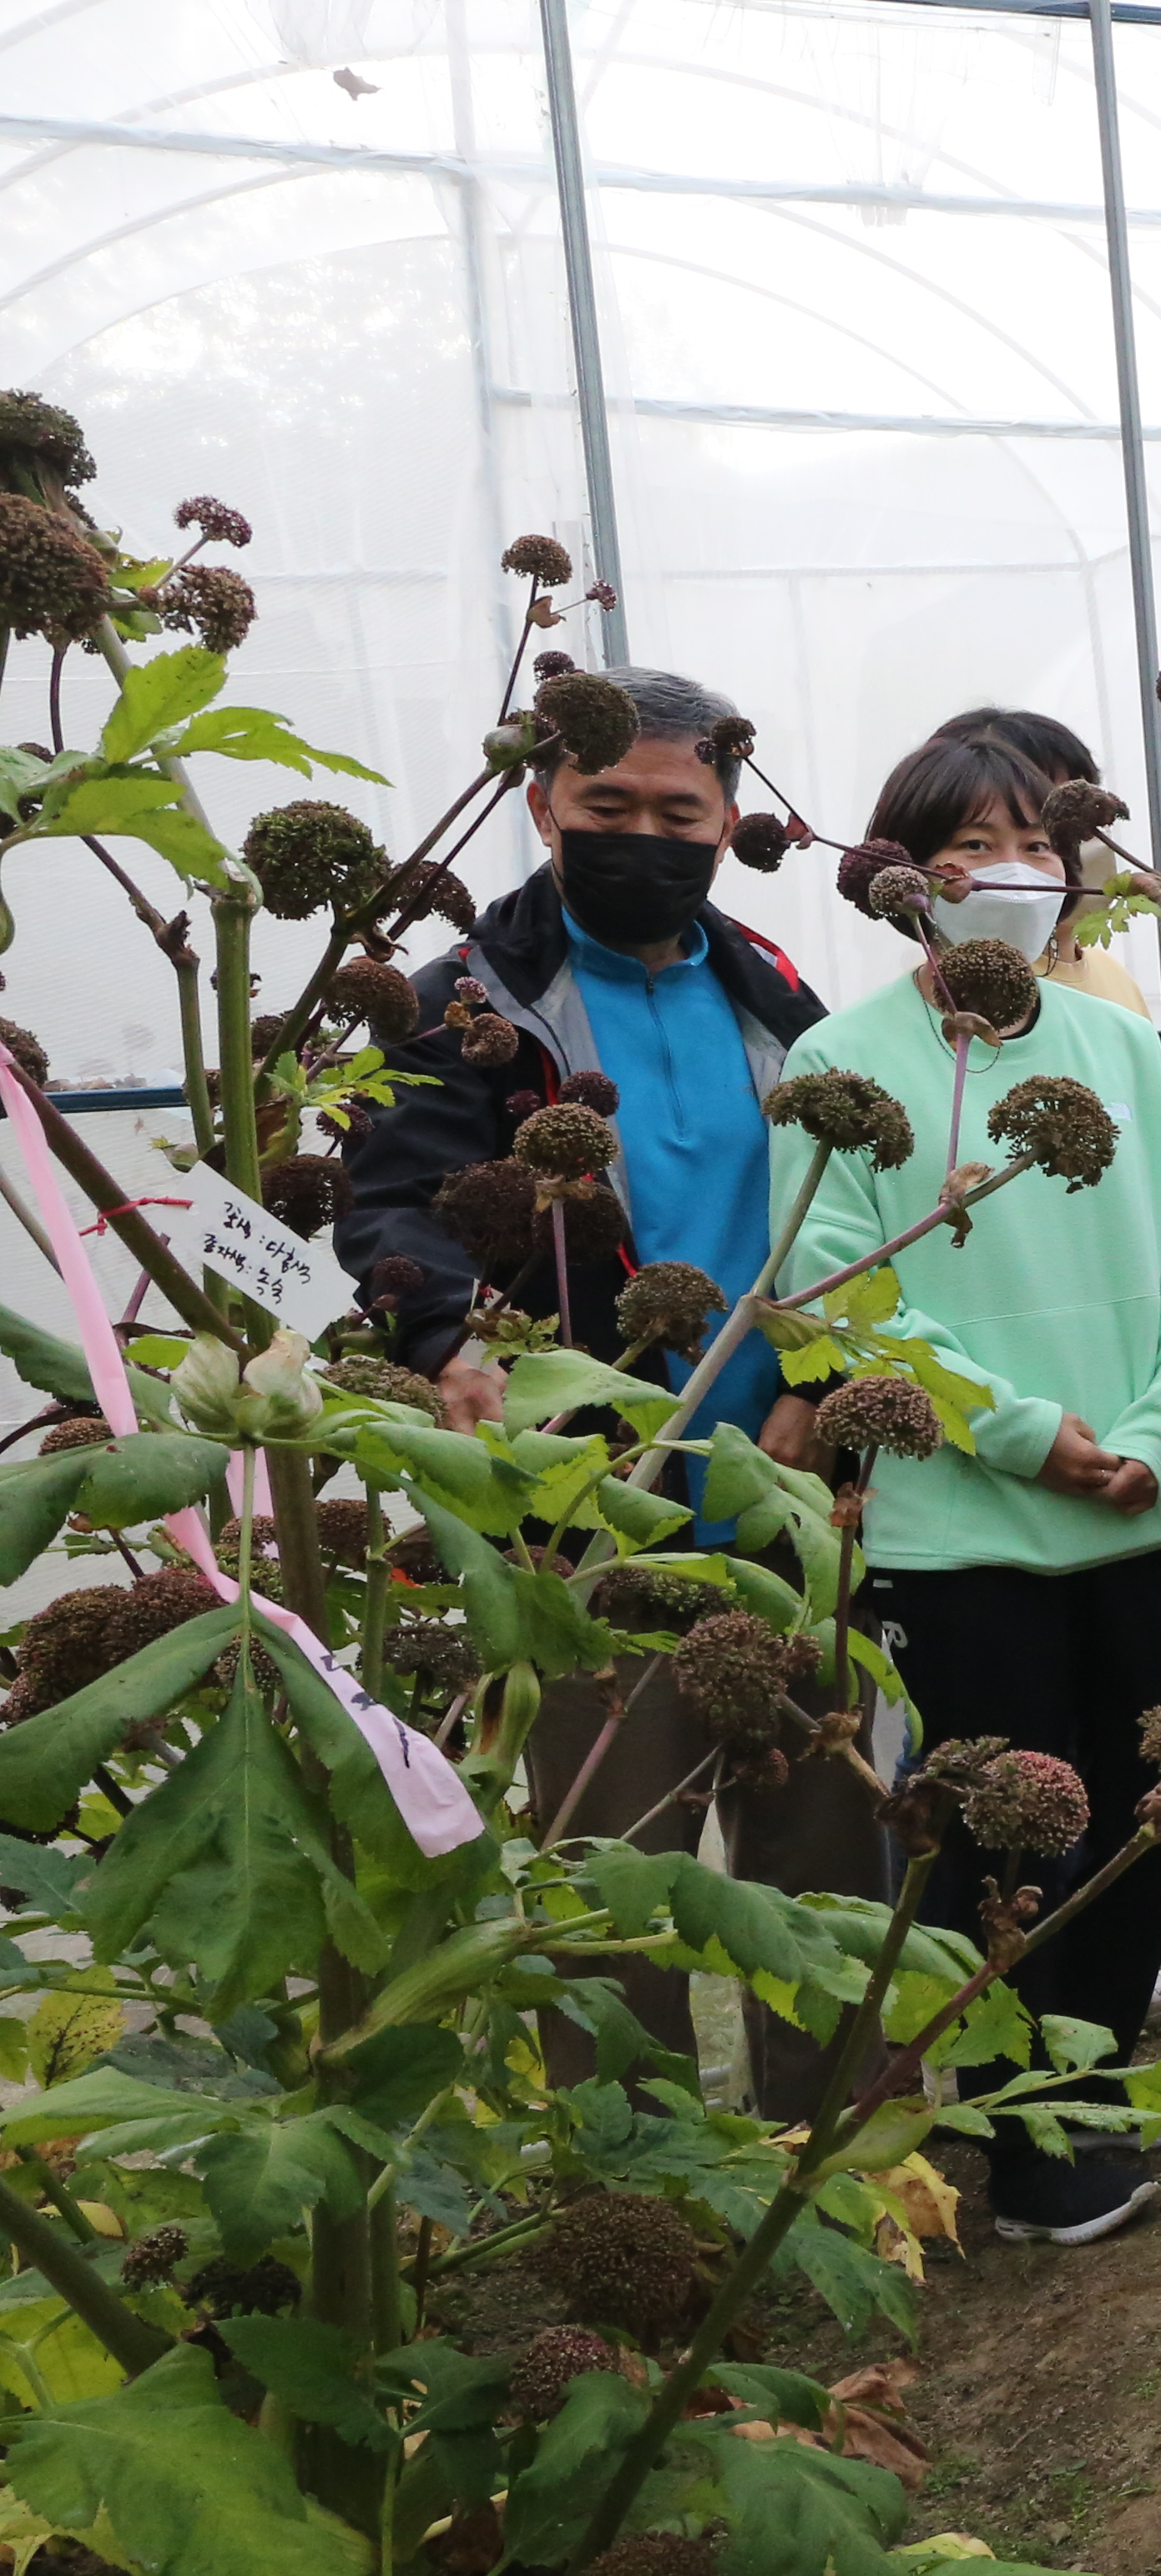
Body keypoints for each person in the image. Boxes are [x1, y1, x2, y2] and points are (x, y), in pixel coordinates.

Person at [336, 661, 874, 2108]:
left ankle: (842, 2172)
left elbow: (854, 1220)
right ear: (541, 801)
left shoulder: (779, 991)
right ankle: (629, 2190)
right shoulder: (466, 1006)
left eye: (677, 807)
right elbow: (384, 1207)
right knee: (609, 1890)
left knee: (826, 1866)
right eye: (606, 802)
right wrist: (445, 1337)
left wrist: (823, 1389)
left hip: (787, 1497)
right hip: (588, 1516)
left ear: (727, 816)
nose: (644, 828)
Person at [780, 730, 1161, 2247]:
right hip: (966, 1529)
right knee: (1001, 1832)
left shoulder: (1117, 1049)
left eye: (1039, 841)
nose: (1007, 873)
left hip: (1146, 1512)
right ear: (907, 873)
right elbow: (851, 1291)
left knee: (1146, 1807)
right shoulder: (843, 1060)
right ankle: (1022, 2137)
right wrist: (1030, 1433)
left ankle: (1093, 2093)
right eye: (969, 844)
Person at [928, 705, 1153, 1017]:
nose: (1070, 832)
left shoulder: (1112, 975)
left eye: (1079, 804)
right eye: (978, 843)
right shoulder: (959, 989)